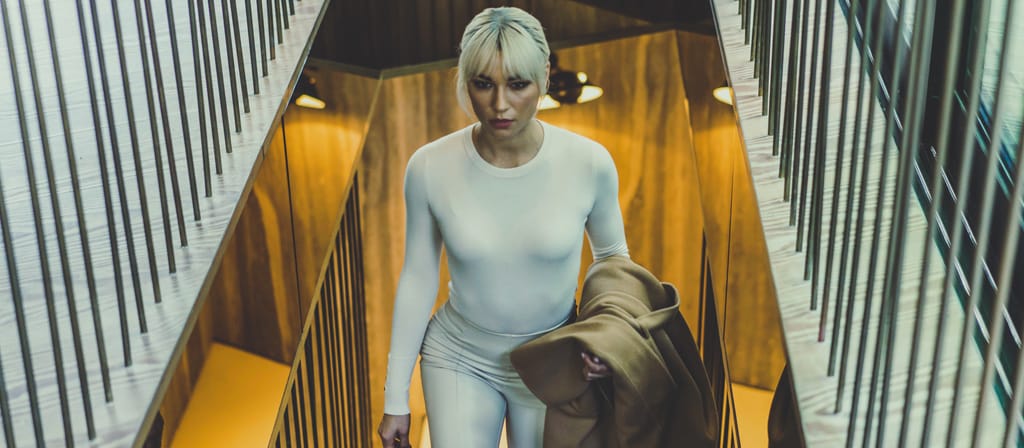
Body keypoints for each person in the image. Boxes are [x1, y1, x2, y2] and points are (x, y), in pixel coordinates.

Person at [376, 6, 629, 448]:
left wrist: (608, 337)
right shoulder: (429, 166)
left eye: (517, 84)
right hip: (458, 356)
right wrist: (395, 395)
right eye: (483, 84)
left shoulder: (589, 163)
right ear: (464, 80)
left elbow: (613, 262)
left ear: (545, 77)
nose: (499, 104)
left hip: (552, 359)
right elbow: (417, 275)